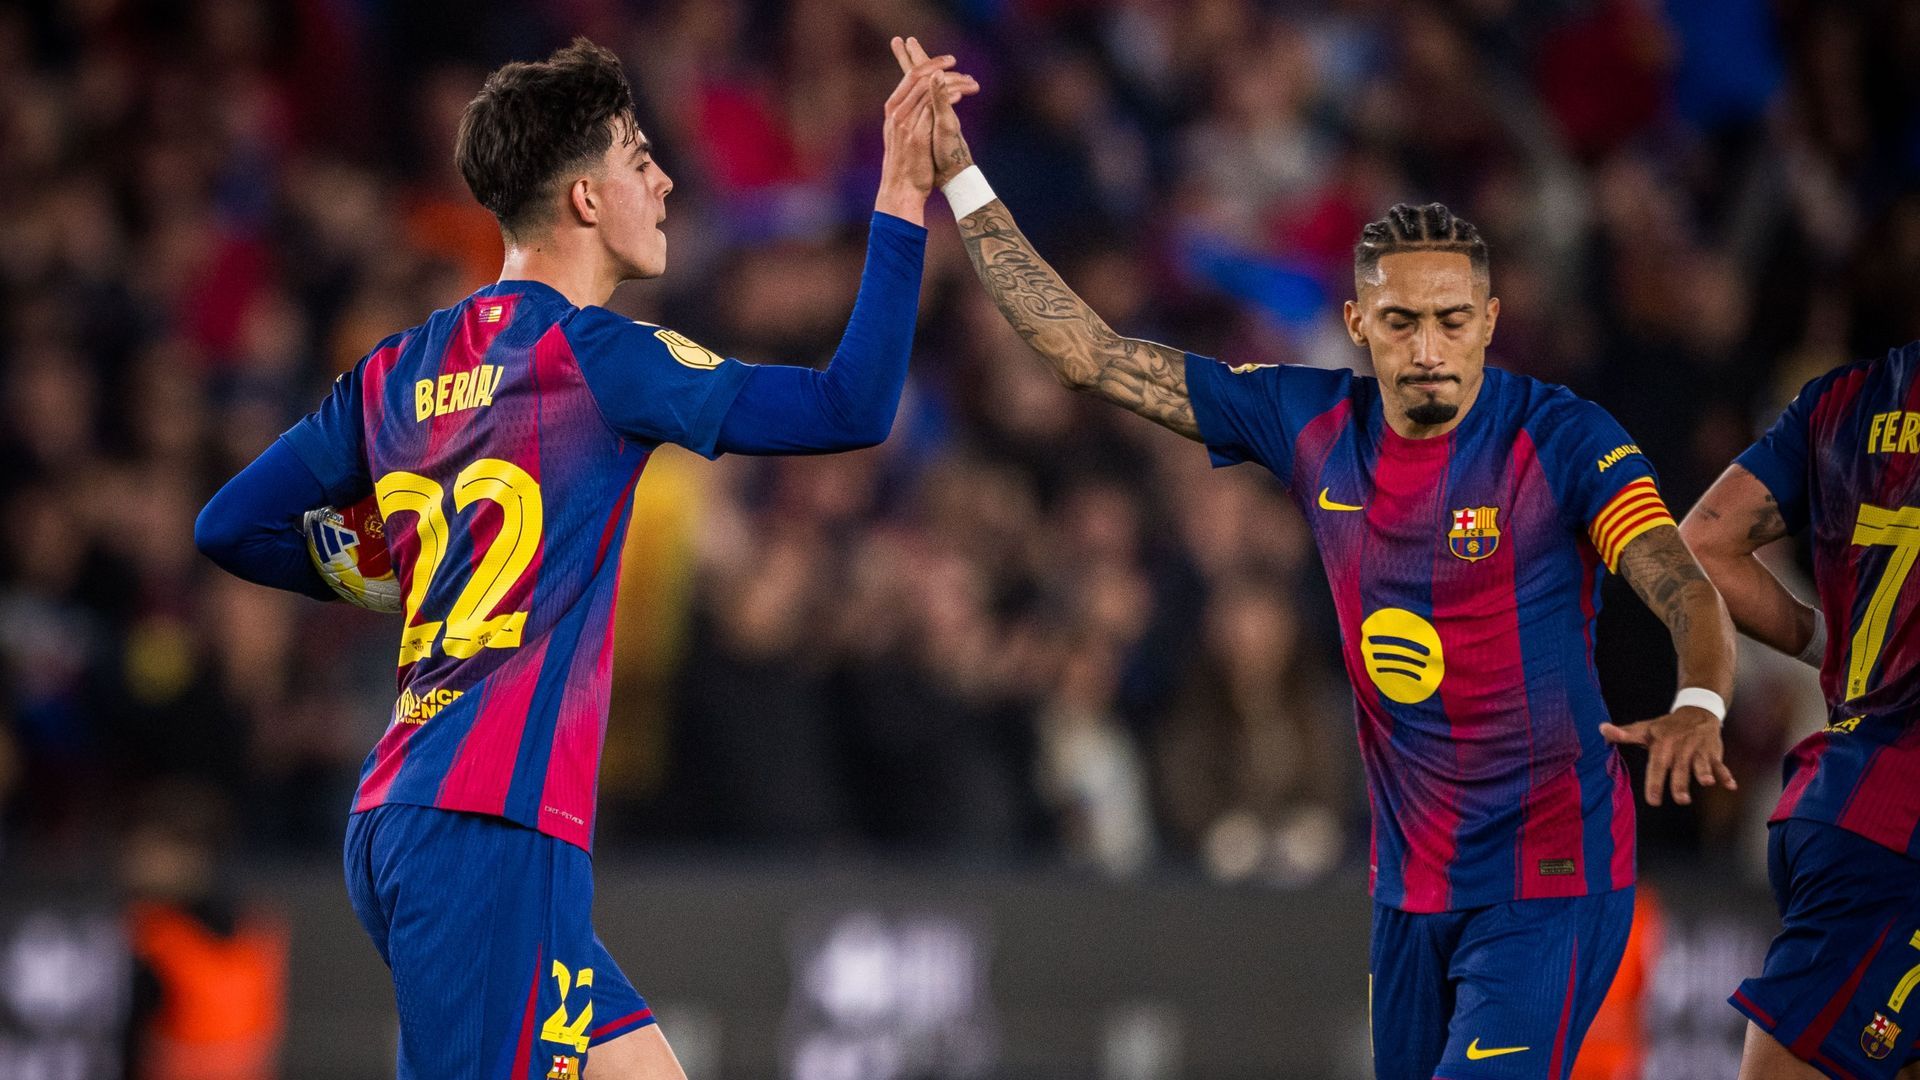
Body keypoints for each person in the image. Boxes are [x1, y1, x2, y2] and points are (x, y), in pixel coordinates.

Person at [893, 38, 1737, 1079]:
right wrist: (963, 176)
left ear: (1490, 327)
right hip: (1409, 890)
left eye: (1450, 322)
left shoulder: (1561, 441)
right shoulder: (1306, 422)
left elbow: (1678, 581)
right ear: (1356, 326)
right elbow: (1089, 354)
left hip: (1551, 879)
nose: (1427, 347)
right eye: (1400, 322)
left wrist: (1701, 701)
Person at [194, 38, 975, 1080]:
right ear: (585, 200)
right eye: (638, 155)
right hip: (490, 829)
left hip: (408, 816)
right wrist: (898, 191)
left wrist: (408, 574)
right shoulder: (598, 359)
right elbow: (852, 405)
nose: (662, 178)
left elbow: (231, 527)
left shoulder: (397, 369)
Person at [1683, 342, 1920, 1080]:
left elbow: (1701, 544)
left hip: (1847, 802)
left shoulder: (1845, 402)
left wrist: (1834, 645)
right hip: (1895, 838)